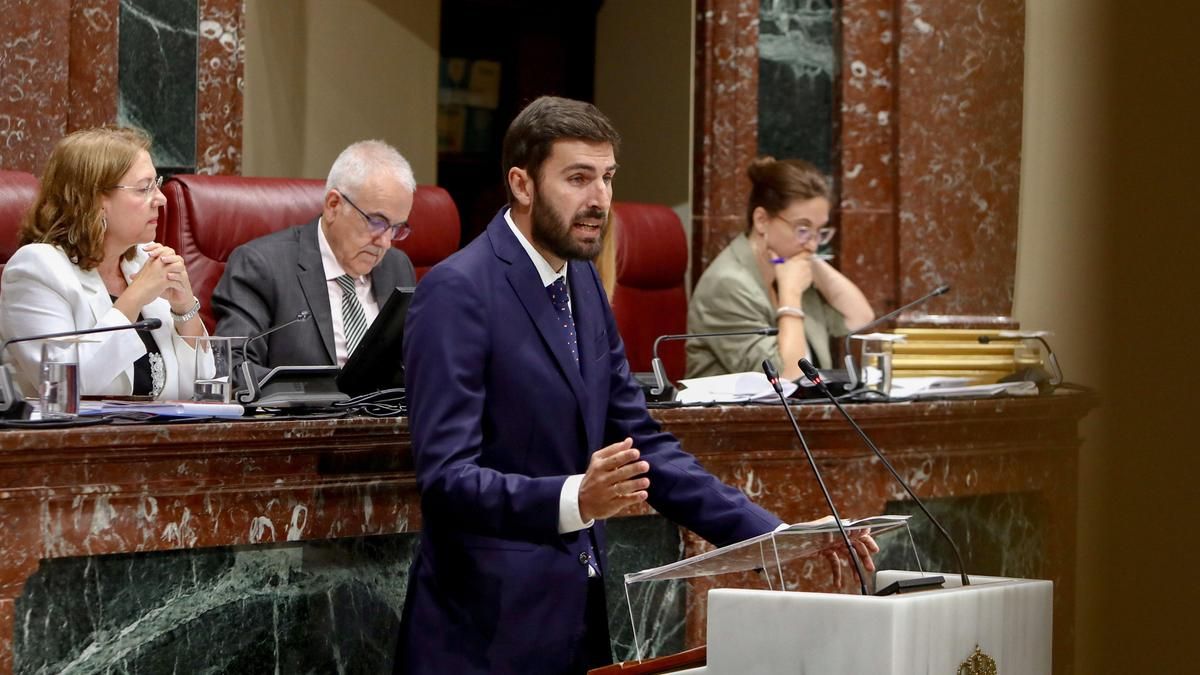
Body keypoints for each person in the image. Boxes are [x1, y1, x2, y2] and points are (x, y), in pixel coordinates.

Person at [396, 96, 877, 673]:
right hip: (482, 635)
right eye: (578, 178)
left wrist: (777, 535)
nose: (599, 198)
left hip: (578, 622)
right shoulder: (458, 290)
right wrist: (577, 497)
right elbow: (447, 478)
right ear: (522, 184)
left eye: (607, 178)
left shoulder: (582, 283)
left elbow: (642, 445)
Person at [0, 126, 207, 399]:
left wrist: (184, 308)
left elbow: (203, 388)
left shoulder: (143, 261)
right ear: (95, 200)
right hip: (73, 440)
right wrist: (135, 297)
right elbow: (63, 389)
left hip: (158, 437)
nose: (161, 198)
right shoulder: (37, 269)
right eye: (144, 188)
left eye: (155, 185)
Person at [211, 140, 417, 382]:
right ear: (333, 205)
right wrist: (319, 396)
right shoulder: (262, 266)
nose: (385, 242)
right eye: (377, 222)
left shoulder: (397, 267)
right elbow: (233, 367)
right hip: (302, 418)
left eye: (396, 228)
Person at [687, 157, 875, 381]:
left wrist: (811, 260)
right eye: (802, 228)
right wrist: (791, 298)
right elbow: (784, 377)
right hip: (736, 415)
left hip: (803, 411)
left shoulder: (789, 268)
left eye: (820, 231)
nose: (814, 243)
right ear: (762, 220)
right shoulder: (727, 285)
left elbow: (860, 317)